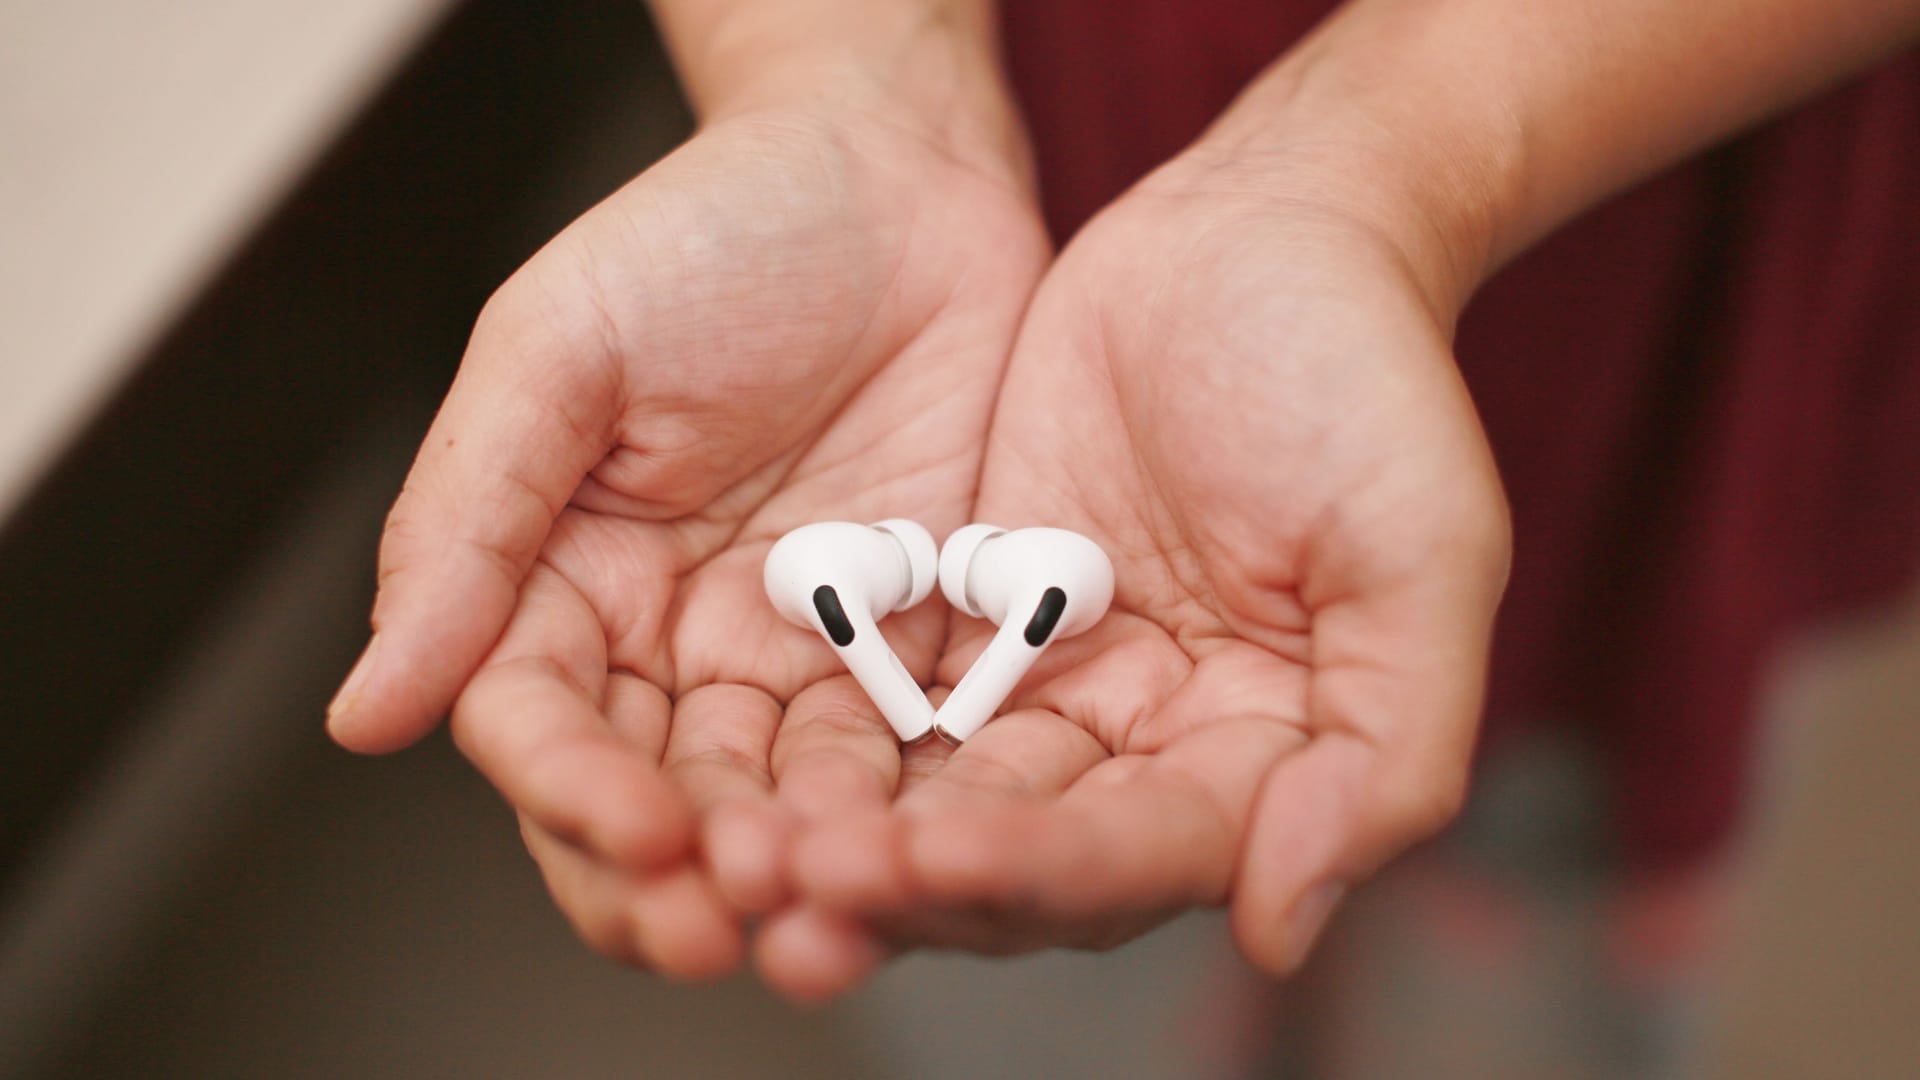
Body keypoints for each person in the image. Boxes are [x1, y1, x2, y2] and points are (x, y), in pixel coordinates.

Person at [323, 0, 1920, 1003]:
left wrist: (1384, 164)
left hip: (1671, 184)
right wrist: (836, 70)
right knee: (1007, 912)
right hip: (1047, 140)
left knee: (1541, 814)